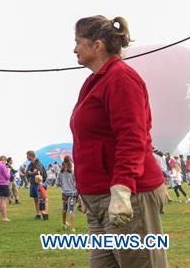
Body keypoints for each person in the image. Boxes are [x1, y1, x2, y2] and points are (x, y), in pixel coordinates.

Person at [71, 15, 167, 267]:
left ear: (97, 45)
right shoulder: (95, 81)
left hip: (129, 195)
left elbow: (133, 137)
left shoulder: (121, 78)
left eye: (78, 42)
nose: (74, 49)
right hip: (100, 198)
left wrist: (122, 188)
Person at [58, 155, 78, 231]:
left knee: (64, 208)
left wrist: (63, 187)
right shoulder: (73, 170)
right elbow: (76, 182)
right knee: (72, 210)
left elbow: (58, 183)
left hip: (64, 193)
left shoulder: (61, 171)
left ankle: (64, 224)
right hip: (73, 192)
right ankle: (73, 228)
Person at [25, 150, 46, 218]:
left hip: (38, 184)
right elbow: (26, 173)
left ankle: (43, 213)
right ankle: (38, 214)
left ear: (31, 156)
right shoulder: (30, 164)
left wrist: (31, 173)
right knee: (35, 200)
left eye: (27, 156)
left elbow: (38, 172)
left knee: (40, 199)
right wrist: (32, 172)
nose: (27, 157)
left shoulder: (38, 163)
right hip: (32, 183)